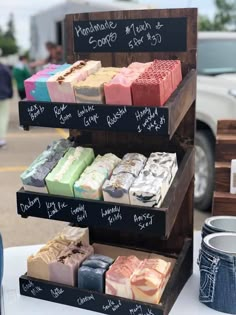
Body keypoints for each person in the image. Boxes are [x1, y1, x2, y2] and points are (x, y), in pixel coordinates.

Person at [0, 62, 13, 149]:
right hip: (4, 95)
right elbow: (9, 81)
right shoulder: (5, 68)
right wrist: (10, 93)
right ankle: (1, 139)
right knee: (3, 117)